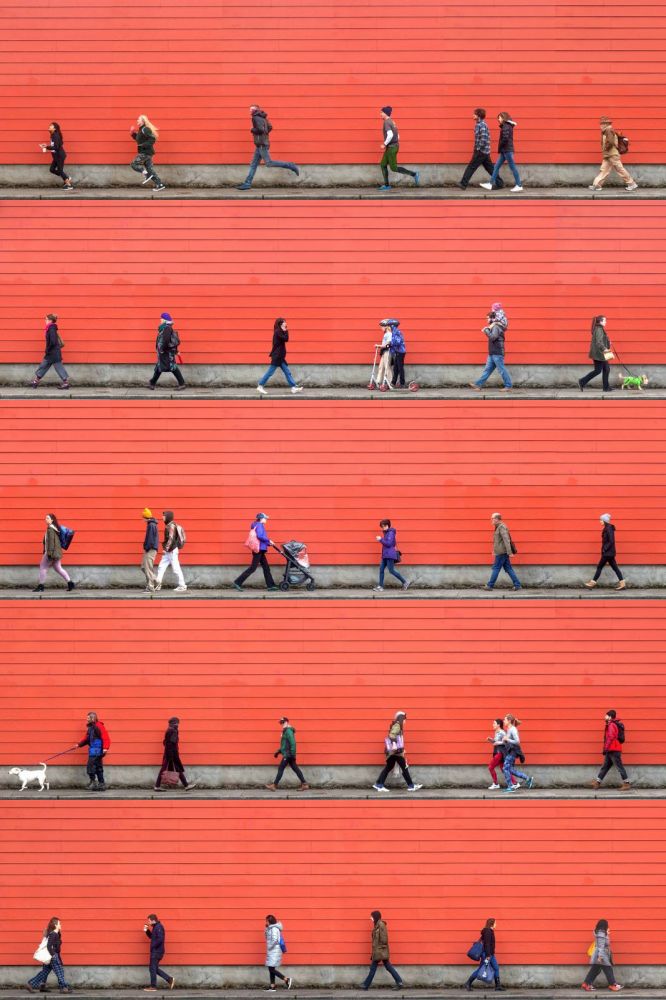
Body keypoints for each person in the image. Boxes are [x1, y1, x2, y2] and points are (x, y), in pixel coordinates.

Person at [237, 106, 300, 191]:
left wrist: (252, 130)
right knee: (254, 164)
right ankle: (247, 183)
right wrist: (264, 136)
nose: (250, 111)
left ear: (256, 110)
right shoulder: (263, 118)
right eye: (250, 109)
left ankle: (291, 165)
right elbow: (270, 127)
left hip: (262, 144)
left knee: (269, 163)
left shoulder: (255, 117)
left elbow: (259, 129)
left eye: (252, 109)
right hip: (261, 144)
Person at [372, 711, 423, 792]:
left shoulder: (397, 725)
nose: (405, 721)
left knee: (389, 767)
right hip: (396, 752)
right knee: (404, 767)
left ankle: (378, 784)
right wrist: (395, 745)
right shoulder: (397, 725)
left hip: (393, 752)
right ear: (401, 718)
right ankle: (411, 786)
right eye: (405, 719)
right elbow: (391, 735)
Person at [458, 109, 504, 190]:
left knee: (471, 167)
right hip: (485, 152)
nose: (473, 115)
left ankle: (463, 184)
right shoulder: (480, 124)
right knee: (490, 168)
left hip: (481, 151)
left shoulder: (481, 125)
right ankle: (500, 183)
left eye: (474, 114)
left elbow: (484, 138)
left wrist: (478, 149)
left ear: (478, 115)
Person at [589, 116, 637, 193]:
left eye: (602, 124)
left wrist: (606, 149)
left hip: (612, 154)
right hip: (608, 155)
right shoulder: (606, 131)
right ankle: (597, 185)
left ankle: (631, 184)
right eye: (600, 124)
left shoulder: (608, 130)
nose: (600, 125)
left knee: (619, 169)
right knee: (604, 170)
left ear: (606, 124)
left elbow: (610, 142)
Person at [257, 318, 303, 395]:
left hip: (280, 356)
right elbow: (286, 339)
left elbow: (285, 339)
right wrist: (285, 330)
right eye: (284, 322)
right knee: (270, 372)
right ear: (281, 323)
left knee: (287, 372)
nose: (286, 323)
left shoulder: (280, 331)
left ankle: (293, 387)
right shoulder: (278, 331)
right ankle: (260, 386)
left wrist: (284, 330)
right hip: (277, 356)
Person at [469, 310, 512, 391]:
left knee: (502, 370)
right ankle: (478, 385)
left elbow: (493, 337)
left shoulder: (496, 327)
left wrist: (486, 330)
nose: (487, 320)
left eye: (488, 318)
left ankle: (508, 386)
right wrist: (488, 329)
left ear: (492, 319)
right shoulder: (493, 327)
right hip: (492, 353)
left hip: (497, 352)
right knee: (487, 370)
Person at [233, 513, 278, 592]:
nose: (266, 519)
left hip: (260, 549)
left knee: (266, 568)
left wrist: (268, 543)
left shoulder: (257, 525)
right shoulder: (259, 525)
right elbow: (260, 536)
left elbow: (260, 538)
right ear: (261, 519)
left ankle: (271, 585)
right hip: (258, 550)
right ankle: (237, 582)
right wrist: (269, 540)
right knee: (253, 568)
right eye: (265, 518)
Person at [378, 107, 420, 191]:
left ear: (386, 113)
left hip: (391, 148)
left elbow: (390, 135)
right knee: (383, 165)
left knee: (394, 168)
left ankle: (414, 174)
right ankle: (386, 185)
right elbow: (397, 135)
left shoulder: (387, 122)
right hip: (392, 147)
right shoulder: (392, 122)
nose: (380, 114)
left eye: (382, 112)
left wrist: (384, 144)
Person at [360, 911, 404, 991]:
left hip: (380, 951)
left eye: (372, 916)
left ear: (376, 916)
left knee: (373, 968)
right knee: (388, 967)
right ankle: (399, 982)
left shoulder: (381, 925)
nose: (371, 918)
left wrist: (378, 949)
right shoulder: (377, 925)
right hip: (379, 951)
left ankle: (366, 985)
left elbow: (384, 940)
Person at [27, 917, 72, 994]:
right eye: (59, 923)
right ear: (55, 925)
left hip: (50, 956)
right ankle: (63, 987)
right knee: (60, 971)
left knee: (44, 972)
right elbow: (49, 946)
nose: (60, 925)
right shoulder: (53, 934)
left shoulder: (54, 933)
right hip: (52, 956)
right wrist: (53, 955)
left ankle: (34, 985)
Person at [33, 513, 76, 593]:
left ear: (52, 520)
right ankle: (70, 583)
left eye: (47, 518)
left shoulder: (50, 529)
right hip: (56, 552)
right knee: (58, 568)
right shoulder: (55, 528)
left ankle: (41, 586)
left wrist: (49, 554)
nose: (46, 519)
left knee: (43, 567)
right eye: (45, 518)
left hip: (51, 552)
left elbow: (51, 543)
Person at [480, 113, 523, 192]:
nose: (498, 119)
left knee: (513, 167)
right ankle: (490, 183)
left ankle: (519, 185)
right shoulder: (506, 126)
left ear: (503, 118)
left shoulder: (506, 126)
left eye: (499, 118)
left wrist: (500, 145)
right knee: (496, 166)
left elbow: (505, 138)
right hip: (505, 150)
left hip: (507, 150)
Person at [590, 710, 631, 792]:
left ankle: (626, 783)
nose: (605, 717)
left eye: (606, 715)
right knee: (605, 766)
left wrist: (605, 748)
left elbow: (610, 738)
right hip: (611, 749)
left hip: (614, 749)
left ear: (610, 717)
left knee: (619, 766)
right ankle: (597, 782)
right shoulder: (611, 724)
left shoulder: (612, 725)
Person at [154, 716, 197, 791]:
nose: (178, 725)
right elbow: (171, 743)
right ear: (175, 723)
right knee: (166, 769)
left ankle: (186, 785)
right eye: (177, 723)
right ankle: (157, 786)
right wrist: (171, 754)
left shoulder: (169, 730)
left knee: (176, 768)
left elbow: (165, 742)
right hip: (171, 754)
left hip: (169, 753)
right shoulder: (173, 730)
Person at [266, 717, 309, 791]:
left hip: (288, 754)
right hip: (289, 754)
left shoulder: (288, 731)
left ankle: (274, 785)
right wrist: (278, 752)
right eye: (281, 723)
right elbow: (285, 745)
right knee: (295, 769)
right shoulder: (285, 731)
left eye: (283, 722)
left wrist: (292, 753)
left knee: (281, 768)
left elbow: (293, 742)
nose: (282, 724)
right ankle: (304, 784)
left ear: (287, 722)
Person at [585, 514, 626, 591]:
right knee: (615, 568)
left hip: (607, 553)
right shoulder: (607, 528)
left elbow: (611, 541)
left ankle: (592, 583)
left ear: (605, 521)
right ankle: (622, 583)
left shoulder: (609, 529)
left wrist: (604, 549)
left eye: (601, 520)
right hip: (610, 553)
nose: (600, 521)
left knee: (599, 567)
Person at [581, 919, 624, 991]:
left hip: (600, 954)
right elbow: (601, 946)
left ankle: (586, 984)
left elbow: (601, 942)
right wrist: (600, 957)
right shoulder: (601, 934)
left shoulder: (600, 933)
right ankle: (613, 985)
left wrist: (606, 934)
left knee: (595, 969)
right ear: (604, 925)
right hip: (602, 955)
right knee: (608, 969)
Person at [31, 314, 70, 390]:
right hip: (53, 352)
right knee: (44, 366)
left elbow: (53, 341)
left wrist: (47, 349)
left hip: (53, 352)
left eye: (46, 319)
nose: (45, 321)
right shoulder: (51, 327)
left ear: (50, 320)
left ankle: (66, 383)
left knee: (57, 367)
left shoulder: (51, 327)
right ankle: (35, 381)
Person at [484, 513, 521, 591]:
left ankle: (490, 585)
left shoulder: (502, 527)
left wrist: (509, 552)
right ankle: (517, 584)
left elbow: (506, 540)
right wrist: (494, 550)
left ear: (497, 519)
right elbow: (498, 541)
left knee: (496, 568)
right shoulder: (498, 527)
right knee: (508, 568)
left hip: (502, 552)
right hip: (501, 552)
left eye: (492, 518)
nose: (491, 520)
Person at [148, 313, 186, 390]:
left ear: (165, 320)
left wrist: (162, 349)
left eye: (161, 318)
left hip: (166, 352)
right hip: (164, 352)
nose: (160, 320)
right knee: (159, 366)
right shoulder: (164, 328)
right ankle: (152, 382)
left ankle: (182, 383)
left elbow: (166, 340)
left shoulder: (167, 328)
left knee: (172, 367)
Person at [465, 918, 503, 992]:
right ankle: (468, 983)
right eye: (495, 923)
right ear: (492, 923)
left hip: (491, 954)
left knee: (496, 968)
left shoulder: (490, 931)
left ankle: (498, 986)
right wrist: (488, 955)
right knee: (480, 969)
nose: (496, 924)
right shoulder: (488, 932)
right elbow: (487, 944)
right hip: (487, 954)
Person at [578, 316, 614, 393]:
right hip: (598, 354)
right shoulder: (599, 330)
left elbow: (601, 340)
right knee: (598, 370)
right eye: (604, 321)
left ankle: (606, 387)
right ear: (600, 321)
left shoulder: (599, 329)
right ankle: (582, 381)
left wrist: (608, 342)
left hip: (600, 353)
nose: (606, 322)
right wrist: (605, 349)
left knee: (606, 369)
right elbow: (598, 342)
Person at [155, 510, 187, 593]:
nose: (162, 517)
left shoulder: (171, 526)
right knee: (161, 567)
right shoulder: (170, 525)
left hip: (171, 551)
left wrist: (166, 549)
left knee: (176, 568)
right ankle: (158, 584)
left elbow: (171, 539)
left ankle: (182, 586)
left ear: (168, 517)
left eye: (164, 516)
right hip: (169, 550)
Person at [130, 115, 165, 192]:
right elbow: (138, 139)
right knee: (150, 169)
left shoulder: (145, 129)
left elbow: (152, 139)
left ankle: (146, 174)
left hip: (145, 152)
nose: (137, 121)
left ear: (143, 121)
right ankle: (160, 184)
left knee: (133, 164)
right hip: (147, 152)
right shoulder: (141, 130)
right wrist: (133, 134)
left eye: (138, 120)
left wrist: (143, 145)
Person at [374, 519, 410, 592]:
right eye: (382, 526)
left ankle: (405, 582)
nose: (383, 527)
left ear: (388, 525)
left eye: (385, 526)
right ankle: (380, 586)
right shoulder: (386, 533)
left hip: (390, 555)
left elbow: (389, 544)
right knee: (381, 570)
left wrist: (380, 539)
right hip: (385, 555)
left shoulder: (391, 533)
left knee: (391, 570)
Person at [502, 715, 534, 793]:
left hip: (513, 752)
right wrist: (505, 740)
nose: (503, 721)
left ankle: (511, 786)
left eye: (505, 720)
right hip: (511, 751)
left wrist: (507, 739)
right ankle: (527, 779)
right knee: (510, 769)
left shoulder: (513, 729)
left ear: (509, 721)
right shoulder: (509, 729)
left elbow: (517, 741)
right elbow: (509, 741)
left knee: (505, 768)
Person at [77, 710, 107, 791]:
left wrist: (105, 748)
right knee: (98, 767)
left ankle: (94, 783)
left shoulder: (99, 726)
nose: (87, 719)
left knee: (91, 767)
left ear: (93, 718)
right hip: (93, 750)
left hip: (97, 750)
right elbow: (86, 739)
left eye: (88, 718)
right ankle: (101, 783)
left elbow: (105, 737)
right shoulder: (90, 728)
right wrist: (79, 745)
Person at [143, 914, 175, 991]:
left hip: (157, 951)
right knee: (154, 968)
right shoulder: (155, 927)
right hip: (156, 951)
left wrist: (153, 946)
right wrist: (147, 931)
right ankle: (169, 979)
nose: (148, 922)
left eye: (149, 921)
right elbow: (152, 937)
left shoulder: (159, 927)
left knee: (152, 969)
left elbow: (160, 939)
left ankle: (153, 987)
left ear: (153, 920)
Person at [39, 122, 74, 191]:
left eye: (51, 126)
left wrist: (46, 147)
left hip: (59, 156)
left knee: (60, 171)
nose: (49, 126)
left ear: (54, 129)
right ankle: (67, 177)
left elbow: (56, 147)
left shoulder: (55, 135)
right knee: (52, 169)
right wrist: (47, 146)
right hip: (56, 156)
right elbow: (54, 146)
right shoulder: (53, 135)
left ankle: (68, 184)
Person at [487, 718, 517, 791]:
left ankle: (496, 784)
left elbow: (506, 741)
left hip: (501, 753)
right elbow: (497, 742)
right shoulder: (497, 732)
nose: (493, 725)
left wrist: (498, 743)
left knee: (490, 767)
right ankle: (515, 783)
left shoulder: (502, 732)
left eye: (494, 723)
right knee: (503, 769)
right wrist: (492, 740)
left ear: (498, 725)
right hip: (498, 752)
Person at [264, 915, 291, 991]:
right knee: (271, 968)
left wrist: (269, 947)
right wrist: (266, 929)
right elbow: (267, 937)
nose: (266, 922)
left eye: (266, 921)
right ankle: (272, 986)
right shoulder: (270, 929)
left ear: (269, 921)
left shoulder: (274, 929)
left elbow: (275, 940)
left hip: (274, 950)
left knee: (271, 969)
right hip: (272, 950)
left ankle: (286, 979)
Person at [141, 507, 159, 593]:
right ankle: (154, 581)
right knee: (144, 567)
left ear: (145, 517)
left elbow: (151, 539)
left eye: (142, 517)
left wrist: (147, 548)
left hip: (150, 549)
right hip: (149, 549)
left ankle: (151, 587)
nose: (142, 519)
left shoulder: (151, 525)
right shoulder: (151, 524)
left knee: (148, 568)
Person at [389, 322, 408, 389]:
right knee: (395, 368)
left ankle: (402, 383)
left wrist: (391, 343)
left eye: (389, 326)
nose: (388, 327)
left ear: (392, 326)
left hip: (400, 352)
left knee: (400, 368)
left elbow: (398, 342)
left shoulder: (396, 332)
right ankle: (393, 383)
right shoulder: (394, 332)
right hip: (397, 352)